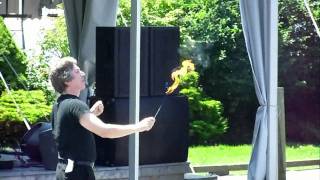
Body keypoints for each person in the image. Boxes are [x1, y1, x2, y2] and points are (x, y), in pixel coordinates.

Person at [49, 57, 155, 180]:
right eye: (77, 71)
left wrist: (91, 114)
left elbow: (72, 129)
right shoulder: (75, 105)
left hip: (66, 171)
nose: (83, 73)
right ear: (66, 80)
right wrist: (140, 126)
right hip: (77, 173)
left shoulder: (59, 105)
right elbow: (105, 131)